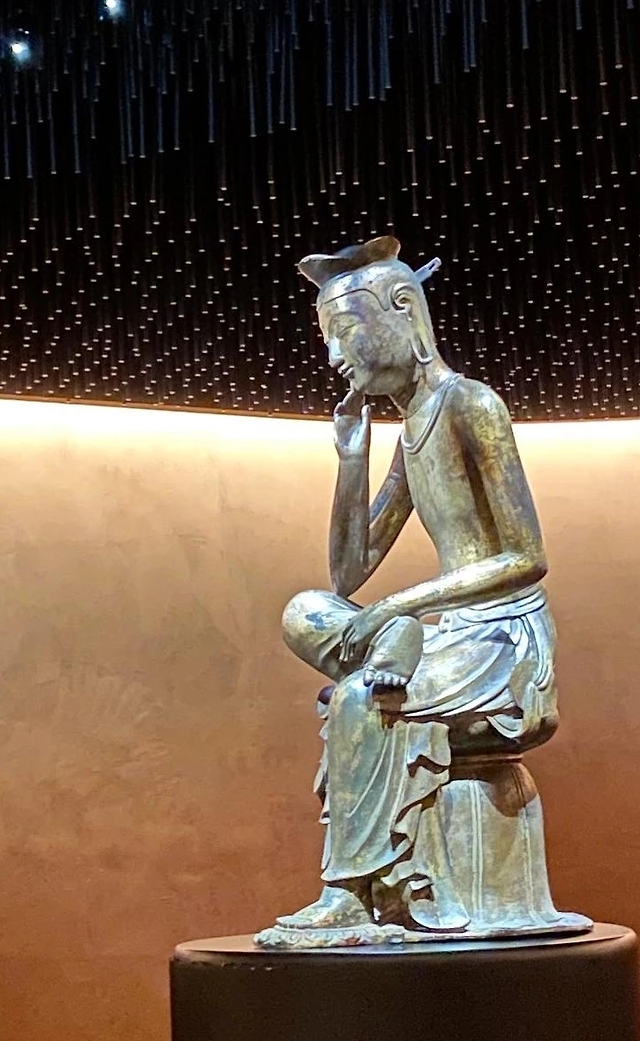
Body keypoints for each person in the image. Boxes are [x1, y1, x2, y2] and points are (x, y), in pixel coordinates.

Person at [256, 236, 587, 946]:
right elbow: (348, 573)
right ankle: (397, 647)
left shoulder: (470, 403)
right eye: (327, 337)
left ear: (404, 308)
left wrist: (401, 606)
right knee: (303, 610)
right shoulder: (412, 427)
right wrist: (351, 459)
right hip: (443, 631)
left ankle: (350, 894)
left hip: (500, 636)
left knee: (360, 700)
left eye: (346, 331)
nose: (334, 355)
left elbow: (526, 557)